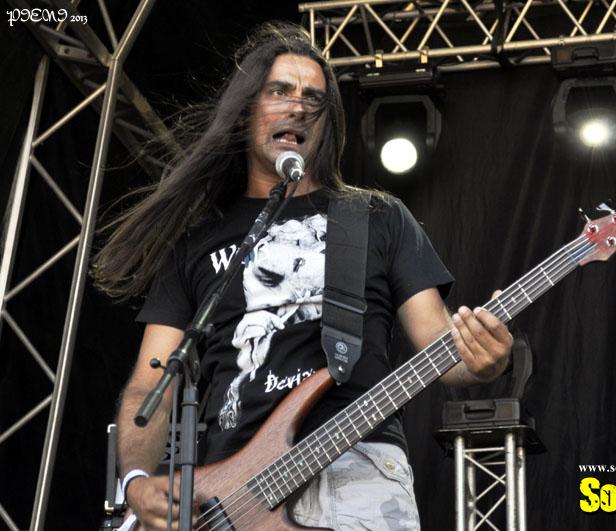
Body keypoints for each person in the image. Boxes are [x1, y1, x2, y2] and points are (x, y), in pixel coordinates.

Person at [94, 22, 512, 531]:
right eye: (280, 91)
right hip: (229, 498)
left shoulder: (376, 217)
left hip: (357, 469)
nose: (297, 106)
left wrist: (484, 360)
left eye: (313, 98)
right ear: (246, 110)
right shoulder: (196, 243)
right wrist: (136, 480)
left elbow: (443, 350)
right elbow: (151, 384)